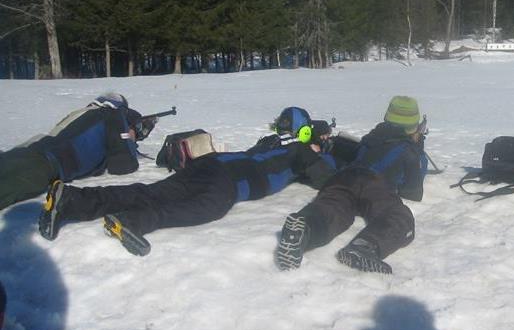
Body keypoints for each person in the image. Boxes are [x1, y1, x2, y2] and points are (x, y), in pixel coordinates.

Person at [38, 107, 332, 257]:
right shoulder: (302, 151)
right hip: (228, 181)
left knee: (150, 191)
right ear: (305, 134)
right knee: (203, 209)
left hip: (209, 163)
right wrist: (319, 154)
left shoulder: (270, 142)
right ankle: (134, 222)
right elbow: (327, 180)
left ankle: (72, 200)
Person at [274, 95, 428, 274]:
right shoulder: (409, 151)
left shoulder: (370, 138)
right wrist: (418, 150)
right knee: (399, 216)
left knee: (333, 209)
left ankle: (305, 229)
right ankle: (365, 246)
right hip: (375, 183)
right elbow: (413, 191)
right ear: (413, 126)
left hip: (342, 178)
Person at [0, 93, 146, 211]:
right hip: (41, 165)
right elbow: (123, 165)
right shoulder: (112, 113)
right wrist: (130, 138)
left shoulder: (84, 113)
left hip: (27, 153)